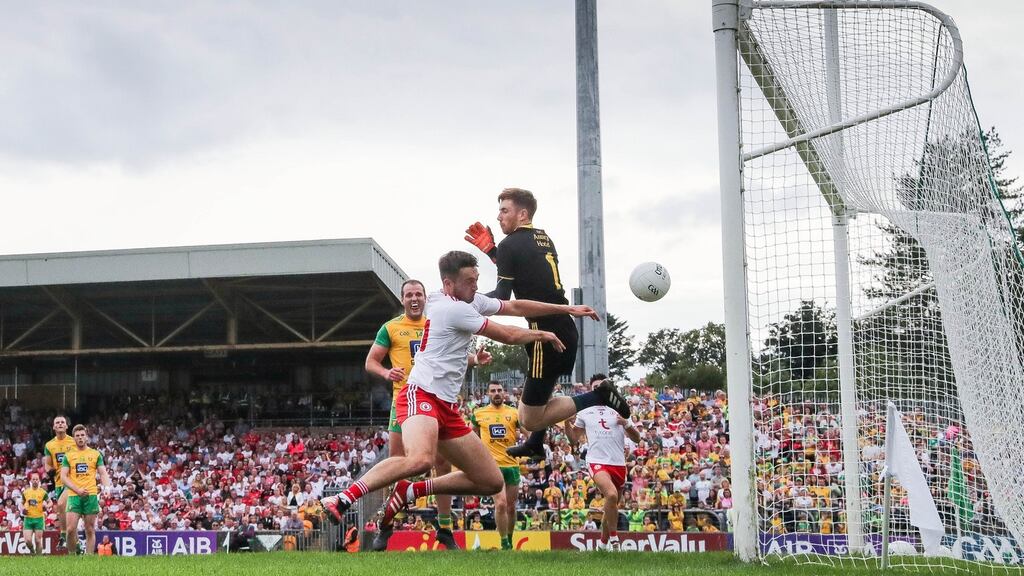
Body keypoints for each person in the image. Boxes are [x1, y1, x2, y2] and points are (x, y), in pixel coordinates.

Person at [321, 250, 600, 538]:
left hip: (446, 405)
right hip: (421, 394)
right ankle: (342, 498)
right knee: (420, 460)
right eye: (470, 281)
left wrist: (565, 309)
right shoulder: (452, 309)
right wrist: (543, 334)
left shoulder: (464, 299)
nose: (476, 286)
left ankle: (414, 490)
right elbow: (509, 335)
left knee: (490, 482)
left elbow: (515, 307)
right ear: (449, 284)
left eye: (477, 279)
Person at [464, 188, 630, 458]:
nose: (498, 217)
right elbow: (525, 271)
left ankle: (598, 396)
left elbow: (503, 297)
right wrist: (494, 252)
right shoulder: (542, 238)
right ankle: (535, 444)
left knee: (529, 418)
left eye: (504, 211)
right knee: (541, 402)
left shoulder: (510, 246)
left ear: (522, 213)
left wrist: (465, 301)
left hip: (545, 333)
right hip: (563, 325)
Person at [365, 279, 477, 551]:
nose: (414, 299)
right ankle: (386, 524)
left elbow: (457, 356)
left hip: (435, 400)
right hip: (404, 402)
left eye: (418, 294)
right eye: (408, 295)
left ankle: (445, 527)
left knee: (442, 463)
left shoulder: (436, 323)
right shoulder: (391, 328)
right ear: (402, 300)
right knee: (397, 466)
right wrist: (385, 372)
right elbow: (371, 362)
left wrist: (475, 359)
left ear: (426, 298)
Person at [564, 374, 641, 551]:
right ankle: (615, 540)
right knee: (611, 495)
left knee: (611, 506)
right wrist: (567, 424)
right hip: (596, 461)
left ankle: (601, 545)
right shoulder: (585, 411)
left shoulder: (619, 408)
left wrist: (626, 424)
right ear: (591, 390)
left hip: (618, 462)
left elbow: (637, 438)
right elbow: (574, 439)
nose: (598, 389)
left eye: (602, 386)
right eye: (595, 387)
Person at [471, 381, 524, 551]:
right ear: (487, 394)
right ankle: (504, 543)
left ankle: (510, 538)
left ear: (505, 393)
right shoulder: (479, 414)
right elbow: (471, 438)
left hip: (512, 466)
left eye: (499, 390)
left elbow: (528, 433)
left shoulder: (514, 413)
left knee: (510, 506)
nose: (496, 393)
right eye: (493, 391)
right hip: (492, 466)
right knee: (500, 504)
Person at [61, 424, 112, 556]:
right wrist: (77, 489)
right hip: (74, 495)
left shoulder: (95, 454)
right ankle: (73, 553)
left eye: (82, 435)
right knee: (70, 529)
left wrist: (106, 487)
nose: (80, 438)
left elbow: (103, 473)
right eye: (77, 436)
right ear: (74, 438)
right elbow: (63, 477)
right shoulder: (69, 455)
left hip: (90, 495)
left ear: (87, 437)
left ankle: (89, 559)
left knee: (89, 529)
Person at [43, 415, 76, 549]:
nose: (60, 424)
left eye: (63, 422)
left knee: (61, 504)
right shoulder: (49, 445)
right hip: (59, 483)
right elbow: (47, 465)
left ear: (67, 426)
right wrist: (49, 470)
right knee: (68, 517)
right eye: (57, 422)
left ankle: (62, 536)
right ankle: (76, 549)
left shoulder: (74, 442)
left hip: (73, 481)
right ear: (54, 427)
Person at [21, 473, 47, 555]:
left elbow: (50, 503)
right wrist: (23, 509)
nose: (35, 481)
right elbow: (21, 503)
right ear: (30, 481)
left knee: (38, 540)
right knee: (28, 540)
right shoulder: (26, 492)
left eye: (37, 479)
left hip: (39, 518)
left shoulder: (43, 492)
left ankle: (38, 559)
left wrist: (45, 506)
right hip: (28, 518)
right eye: (33, 479)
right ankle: (32, 551)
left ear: (39, 480)